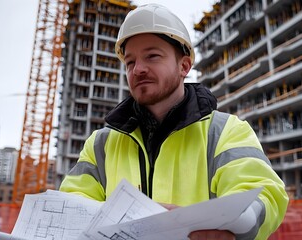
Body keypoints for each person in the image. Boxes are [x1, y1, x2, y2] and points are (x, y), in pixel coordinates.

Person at [59, 3, 288, 239]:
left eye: (152, 56)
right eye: (130, 62)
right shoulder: (101, 145)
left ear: (184, 66)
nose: (138, 69)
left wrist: (230, 225)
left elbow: (263, 193)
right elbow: (73, 206)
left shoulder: (225, 132)